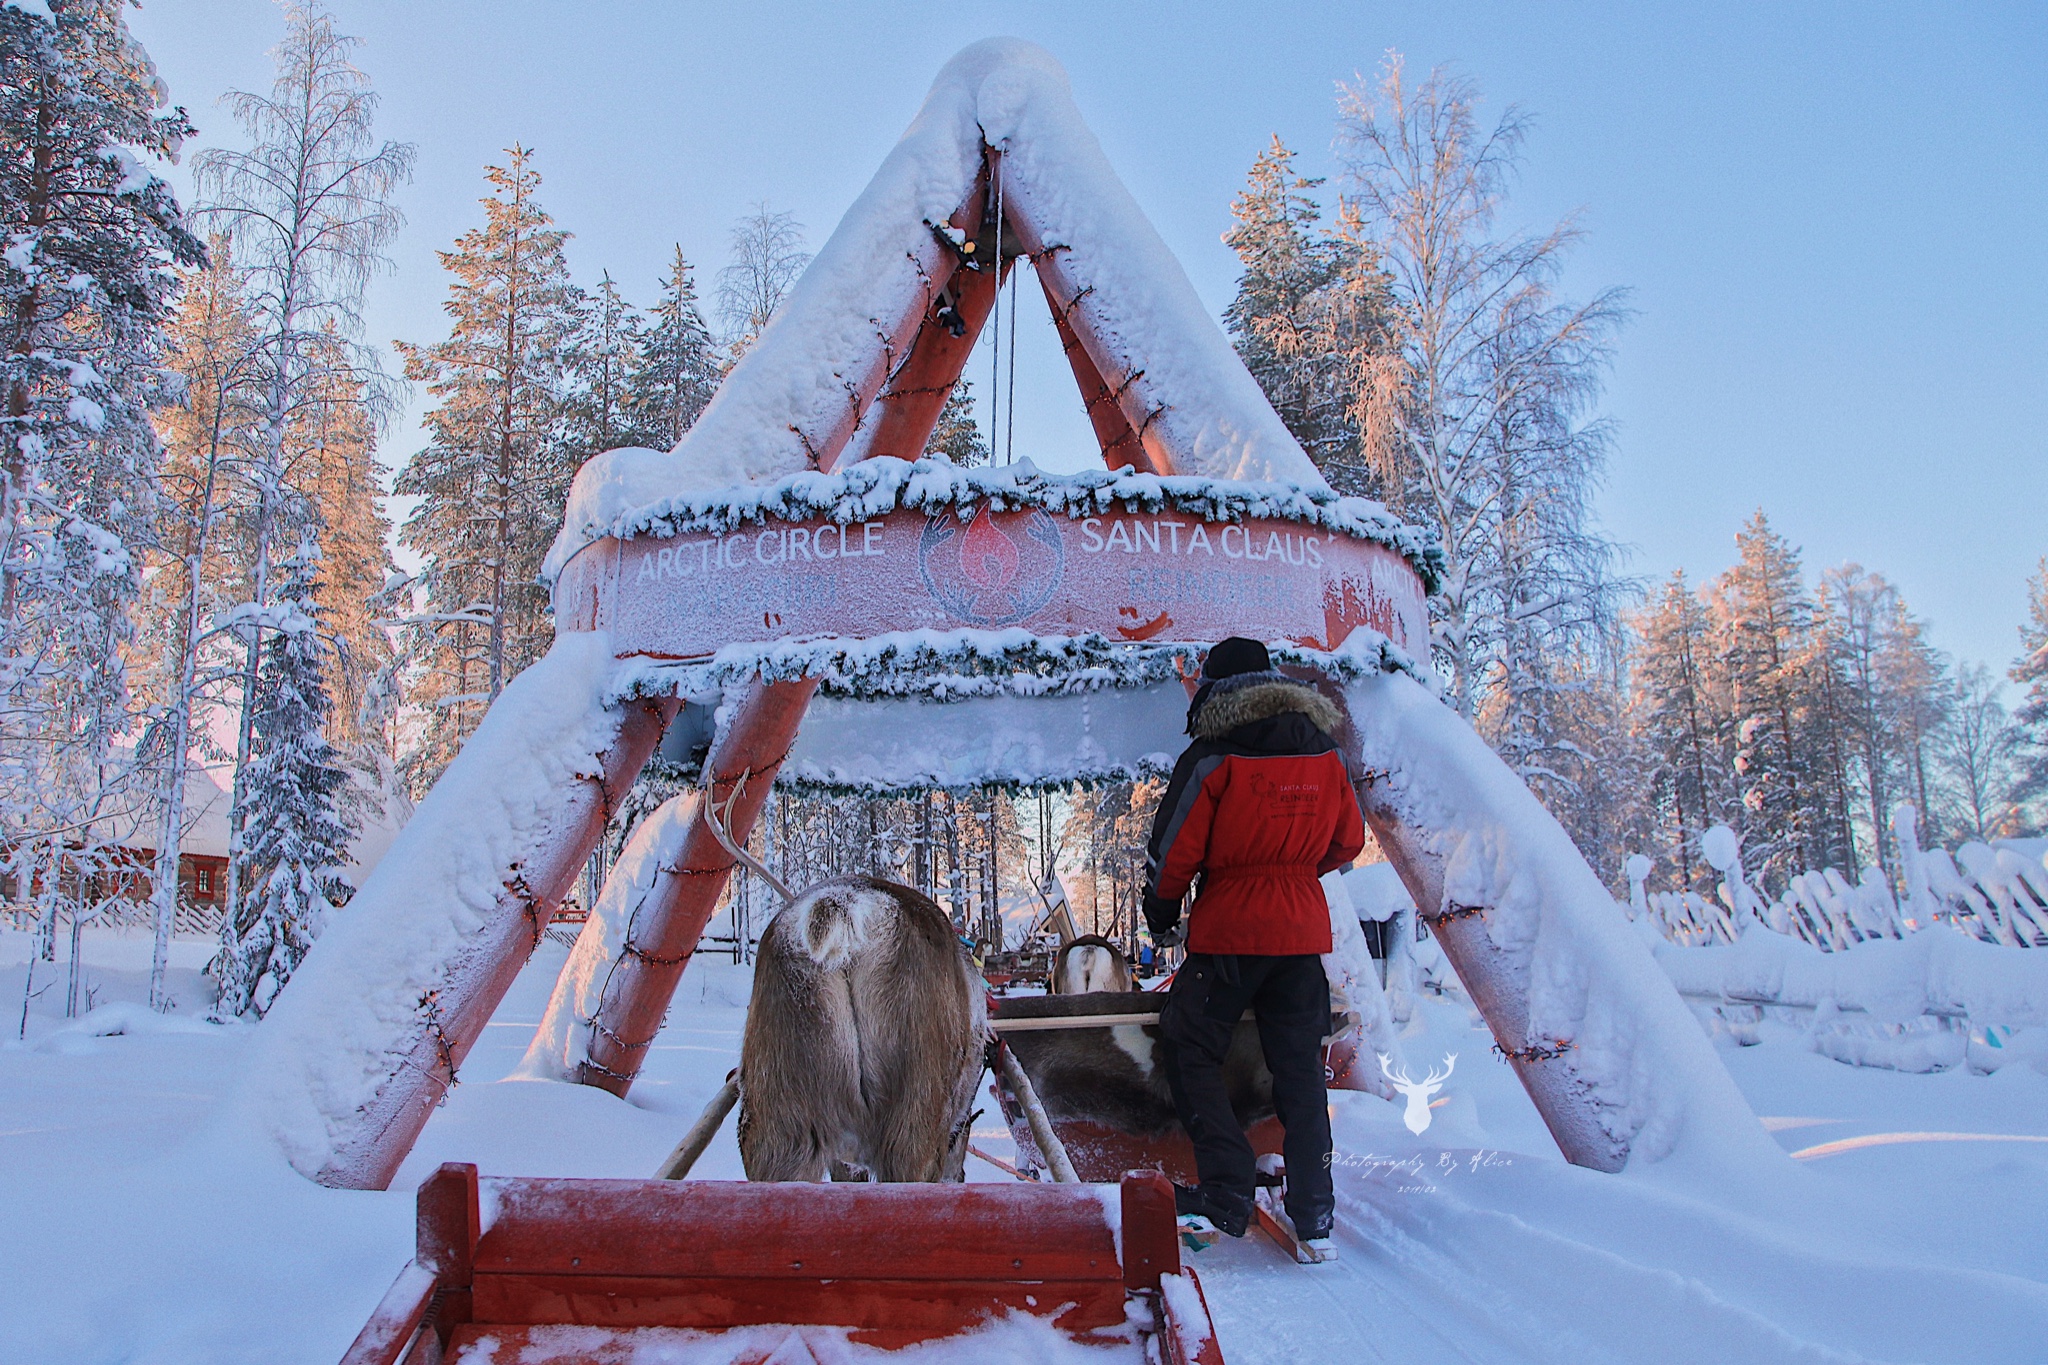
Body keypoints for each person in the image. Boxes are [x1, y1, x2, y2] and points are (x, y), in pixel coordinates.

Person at [1142, 637, 1364, 1259]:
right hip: (1299, 938)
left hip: (1230, 935)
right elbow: (1348, 843)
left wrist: (1162, 914)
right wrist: (1291, 873)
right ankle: (1315, 1214)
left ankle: (1227, 1190)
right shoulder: (1326, 753)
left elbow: (1174, 852)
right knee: (1299, 1071)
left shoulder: (1213, 756)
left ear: (1214, 688)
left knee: (1188, 1046)